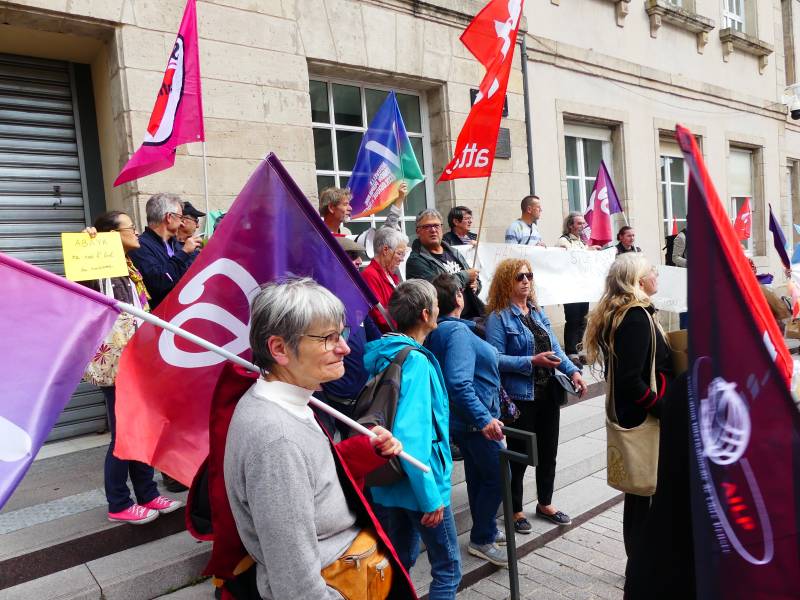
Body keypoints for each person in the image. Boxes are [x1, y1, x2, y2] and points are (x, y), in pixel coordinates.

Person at [224, 278, 412, 600]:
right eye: (328, 338)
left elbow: (312, 478)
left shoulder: (291, 403)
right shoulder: (276, 440)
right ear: (279, 349)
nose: (345, 348)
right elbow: (296, 586)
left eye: (342, 334)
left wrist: (364, 450)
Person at [82, 212, 183, 524]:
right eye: (130, 227)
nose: (137, 232)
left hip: (139, 360)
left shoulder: (130, 265)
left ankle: (147, 494)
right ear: (112, 234)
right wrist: (88, 245)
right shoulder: (99, 264)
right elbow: (81, 287)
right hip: (117, 366)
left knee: (142, 429)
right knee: (123, 433)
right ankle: (119, 503)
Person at [364, 280, 461, 599]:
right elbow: (412, 437)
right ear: (425, 314)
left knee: (399, 563)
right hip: (421, 483)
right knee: (447, 570)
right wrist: (431, 497)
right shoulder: (416, 361)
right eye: (435, 302)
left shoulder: (385, 352)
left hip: (388, 482)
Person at [582, 253, 674, 576]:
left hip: (642, 416)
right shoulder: (634, 318)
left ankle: (641, 563)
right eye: (651, 272)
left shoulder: (636, 313)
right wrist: (664, 409)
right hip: (644, 421)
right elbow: (629, 381)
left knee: (640, 497)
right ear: (637, 280)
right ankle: (640, 567)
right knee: (643, 498)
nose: (656, 276)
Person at [485, 259, 587, 533]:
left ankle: (545, 503)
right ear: (507, 281)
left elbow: (556, 348)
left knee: (548, 453)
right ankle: (516, 509)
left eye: (529, 275)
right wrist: (531, 361)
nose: (526, 281)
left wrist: (573, 371)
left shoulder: (537, 312)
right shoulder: (498, 317)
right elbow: (494, 358)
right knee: (519, 456)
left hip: (548, 395)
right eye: (520, 277)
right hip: (520, 398)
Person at [425, 274, 507, 567]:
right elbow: (458, 383)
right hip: (475, 423)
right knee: (498, 477)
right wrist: (484, 419)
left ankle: (485, 528)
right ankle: (481, 538)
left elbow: (491, 359)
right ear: (459, 297)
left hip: (464, 422)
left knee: (479, 475)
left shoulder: (446, 330)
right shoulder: (457, 333)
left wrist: (528, 362)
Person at [314, 237, 381, 438]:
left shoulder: (357, 296)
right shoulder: (317, 300)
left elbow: (375, 338)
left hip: (363, 394)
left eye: (358, 256)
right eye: (352, 257)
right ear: (333, 262)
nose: (359, 262)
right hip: (334, 397)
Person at [406, 209, 483, 320]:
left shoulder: (453, 252)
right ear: (418, 231)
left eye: (436, 226)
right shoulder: (416, 261)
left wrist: (476, 285)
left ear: (441, 228)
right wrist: (465, 276)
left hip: (474, 313)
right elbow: (437, 291)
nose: (433, 230)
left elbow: (474, 279)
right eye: (427, 226)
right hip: (446, 321)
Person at [129, 192, 200, 310]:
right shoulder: (140, 246)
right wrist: (183, 253)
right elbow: (159, 282)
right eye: (180, 217)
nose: (182, 223)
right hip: (162, 321)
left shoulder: (175, 244)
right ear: (169, 217)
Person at [556, 212, 599, 363]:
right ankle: (571, 352)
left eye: (583, 223)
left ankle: (578, 349)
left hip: (583, 287)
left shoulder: (582, 242)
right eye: (579, 223)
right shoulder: (563, 241)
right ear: (570, 225)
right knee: (573, 320)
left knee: (583, 320)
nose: (583, 226)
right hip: (570, 288)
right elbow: (568, 258)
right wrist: (588, 251)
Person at [360, 226, 408, 333]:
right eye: (399, 253)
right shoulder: (369, 275)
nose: (402, 258)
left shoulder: (391, 275)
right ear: (385, 250)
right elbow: (379, 317)